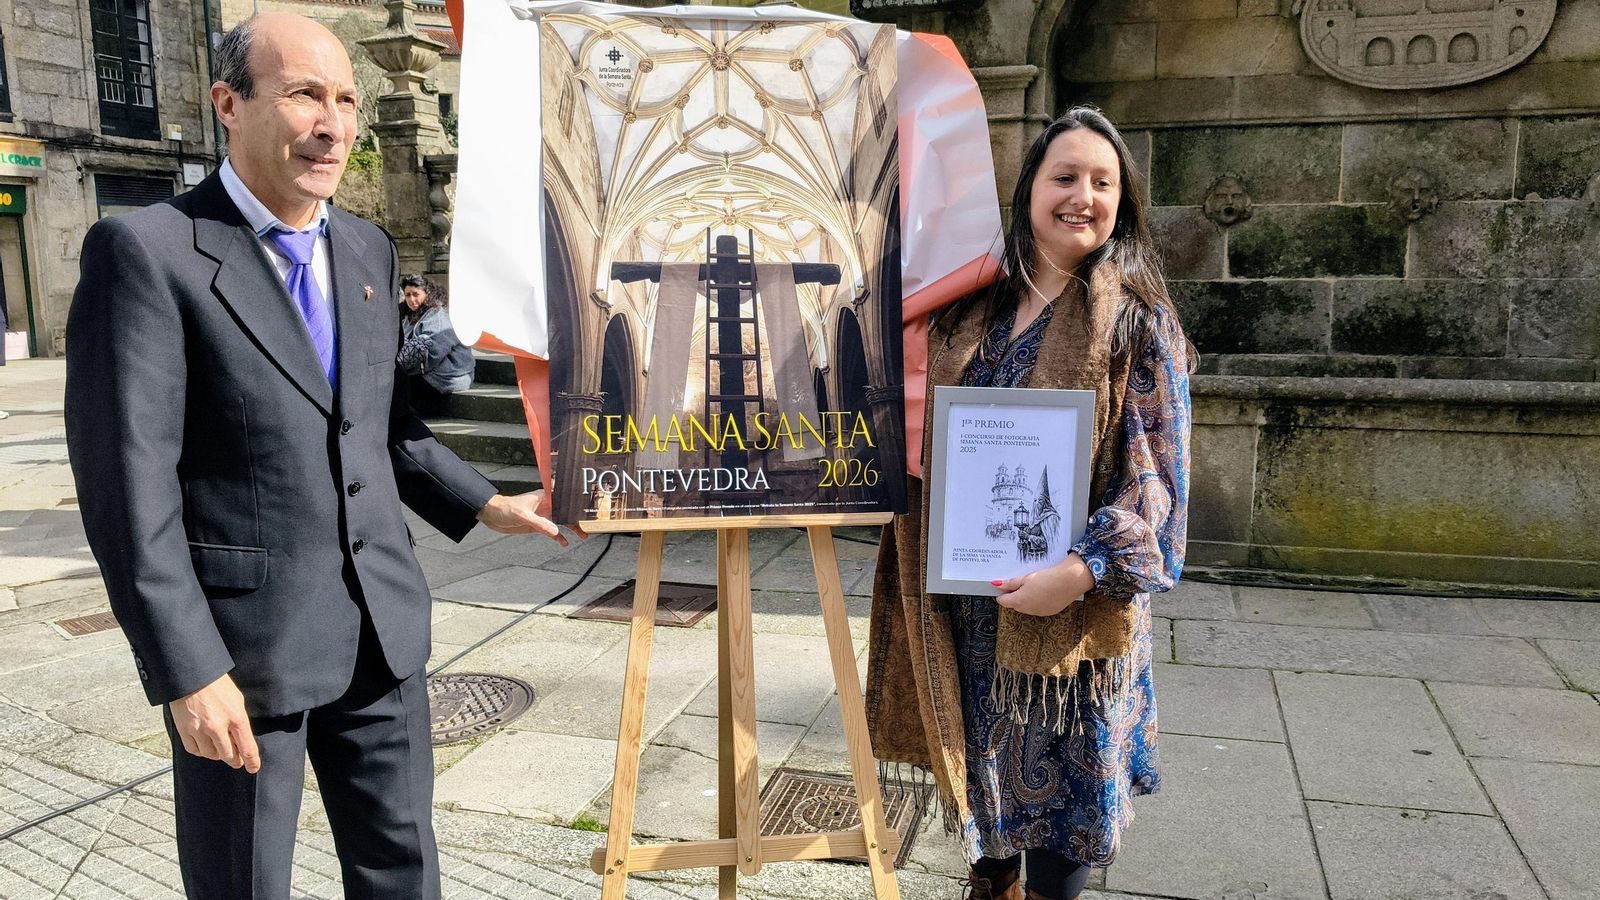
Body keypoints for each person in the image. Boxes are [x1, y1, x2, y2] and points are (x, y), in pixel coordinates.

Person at [63, 14, 569, 899]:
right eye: (304, 95)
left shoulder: (366, 248)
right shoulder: (146, 254)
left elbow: (379, 425)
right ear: (229, 104)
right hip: (243, 659)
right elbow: (126, 489)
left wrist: (489, 504)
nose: (333, 124)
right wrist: (188, 669)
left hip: (382, 634)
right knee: (244, 884)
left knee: (404, 876)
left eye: (345, 100)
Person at [866, 108, 1192, 900]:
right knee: (981, 786)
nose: (1083, 195)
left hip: (1069, 615)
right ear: (1029, 193)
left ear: (1124, 203)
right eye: (1065, 176)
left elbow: (1160, 487)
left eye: (1102, 182)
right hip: (965, 606)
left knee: (1060, 809)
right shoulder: (963, 314)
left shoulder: (1138, 328)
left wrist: (1081, 572)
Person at [397, 274, 475, 416]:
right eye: (408, 295)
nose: (411, 300)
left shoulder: (438, 314)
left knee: (398, 385)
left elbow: (432, 352)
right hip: (424, 371)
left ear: (427, 294)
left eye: (416, 294)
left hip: (447, 375)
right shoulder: (410, 315)